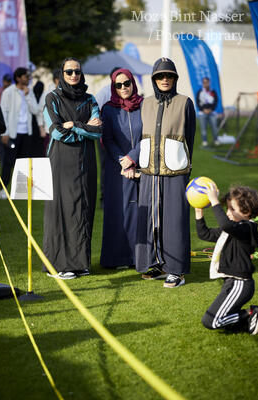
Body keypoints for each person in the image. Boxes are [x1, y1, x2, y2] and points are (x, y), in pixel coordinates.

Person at [135, 57, 196, 288]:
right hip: (150, 171)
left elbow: (189, 137)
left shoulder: (185, 102)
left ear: (175, 78)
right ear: (154, 79)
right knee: (151, 219)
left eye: (169, 75)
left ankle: (176, 270)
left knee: (175, 221)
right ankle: (155, 264)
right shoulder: (146, 103)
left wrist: (184, 164)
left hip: (175, 171)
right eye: (160, 76)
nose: (165, 79)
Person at [43, 57, 102, 280]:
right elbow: (57, 132)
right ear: (62, 74)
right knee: (64, 211)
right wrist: (84, 126)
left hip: (85, 162)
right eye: (69, 72)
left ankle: (80, 263)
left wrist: (75, 124)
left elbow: (97, 132)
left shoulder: (90, 99)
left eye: (77, 71)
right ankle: (61, 265)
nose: (74, 75)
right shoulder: (52, 98)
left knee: (84, 210)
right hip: (61, 164)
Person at [195, 184, 258, 335]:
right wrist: (199, 211)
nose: (228, 212)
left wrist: (214, 201)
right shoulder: (233, 228)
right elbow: (205, 234)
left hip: (240, 284)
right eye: (227, 209)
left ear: (247, 211)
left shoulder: (247, 228)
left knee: (211, 321)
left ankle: (250, 313)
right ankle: (246, 320)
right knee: (218, 321)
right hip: (231, 283)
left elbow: (225, 224)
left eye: (232, 209)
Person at [100, 68, 143, 269]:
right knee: (117, 212)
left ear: (133, 83)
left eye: (127, 83)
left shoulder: (145, 106)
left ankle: (139, 257)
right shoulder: (108, 109)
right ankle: (116, 259)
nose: (124, 88)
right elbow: (106, 139)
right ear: (113, 87)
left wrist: (132, 157)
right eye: (119, 85)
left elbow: (149, 136)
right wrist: (122, 160)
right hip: (116, 168)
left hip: (141, 165)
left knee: (138, 211)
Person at [0, 67, 38, 199]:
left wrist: (27, 96)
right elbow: (3, 112)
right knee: (8, 162)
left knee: (24, 162)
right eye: (26, 77)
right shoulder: (9, 92)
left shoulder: (29, 92)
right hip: (12, 133)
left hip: (26, 133)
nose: (28, 79)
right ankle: (3, 189)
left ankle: (21, 191)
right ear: (18, 78)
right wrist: (5, 132)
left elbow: (35, 110)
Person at [95, 67, 121, 208]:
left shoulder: (123, 91)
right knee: (105, 166)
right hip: (105, 137)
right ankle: (104, 198)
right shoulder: (104, 92)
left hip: (121, 137)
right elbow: (95, 112)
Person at [37, 69, 61, 154]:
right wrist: (41, 129)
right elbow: (40, 112)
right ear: (56, 80)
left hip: (63, 132)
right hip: (49, 131)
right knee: (49, 155)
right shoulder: (47, 94)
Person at [0, 74, 12, 166]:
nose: (7, 83)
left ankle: (3, 163)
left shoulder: (11, 92)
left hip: (3, 119)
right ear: (3, 81)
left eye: (9, 81)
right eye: (6, 81)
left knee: (6, 146)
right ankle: (1, 161)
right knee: (0, 145)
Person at [196, 77, 220, 147]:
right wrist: (203, 110)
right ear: (202, 83)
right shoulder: (200, 92)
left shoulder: (213, 91)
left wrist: (211, 109)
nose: (205, 84)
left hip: (212, 113)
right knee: (203, 128)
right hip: (202, 113)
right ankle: (205, 141)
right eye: (204, 82)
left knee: (214, 127)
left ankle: (216, 140)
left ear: (209, 83)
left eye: (207, 82)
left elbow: (216, 101)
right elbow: (198, 102)